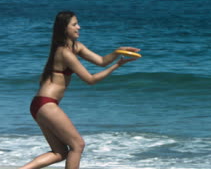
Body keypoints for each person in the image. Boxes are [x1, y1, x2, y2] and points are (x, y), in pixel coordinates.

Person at [20, 11, 140, 169]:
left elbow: (101, 61)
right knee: (78, 145)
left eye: (78, 23)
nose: (79, 27)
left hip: (40, 104)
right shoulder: (64, 52)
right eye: (74, 24)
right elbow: (90, 80)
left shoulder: (76, 47)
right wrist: (117, 65)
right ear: (65, 28)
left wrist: (117, 52)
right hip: (46, 104)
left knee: (60, 153)